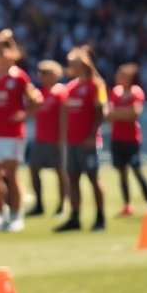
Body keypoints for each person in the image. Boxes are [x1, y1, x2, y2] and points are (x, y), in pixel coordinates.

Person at [0, 29, 37, 232]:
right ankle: (2, 213)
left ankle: (16, 215)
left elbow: (35, 101)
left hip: (13, 134)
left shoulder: (19, 77)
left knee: (12, 175)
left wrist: (24, 115)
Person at [56, 46, 108, 232]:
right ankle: (75, 217)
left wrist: (91, 135)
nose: (70, 66)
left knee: (94, 178)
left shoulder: (96, 85)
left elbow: (101, 112)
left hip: (88, 142)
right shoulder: (70, 87)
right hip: (72, 141)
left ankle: (101, 217)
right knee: (73, 179)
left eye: (73, 63)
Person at [109, 62, 147, 217]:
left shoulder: (136, 92)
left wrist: (118, 113)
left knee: (137, 170)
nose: (118, 77)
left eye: (122, 74)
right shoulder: (115, 92)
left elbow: (134, 114)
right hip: (117, 139)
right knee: (122, 173)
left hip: (131, 139)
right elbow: (109, 114)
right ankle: (127, 205)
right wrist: (123, 113)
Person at [26, 60, 69, 218]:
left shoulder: (60, 92)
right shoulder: (39, 93)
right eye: (40, 72)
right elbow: (31, 111)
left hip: (56, 139)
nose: (41, 76)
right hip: (40, 138)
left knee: (60, 172)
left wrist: (62, 139)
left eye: (45, 72)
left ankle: (62, 205)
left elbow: (64, 117)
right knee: (34, 169)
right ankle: (39, 204)